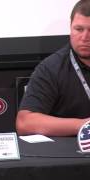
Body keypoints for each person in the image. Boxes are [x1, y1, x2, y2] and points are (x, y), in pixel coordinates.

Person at [16, 0, 90, 136]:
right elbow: (25, 122)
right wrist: (84, 125)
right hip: (72, 152)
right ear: (70, 28)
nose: (85, 37)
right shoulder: (51, 68)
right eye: (79, 29)